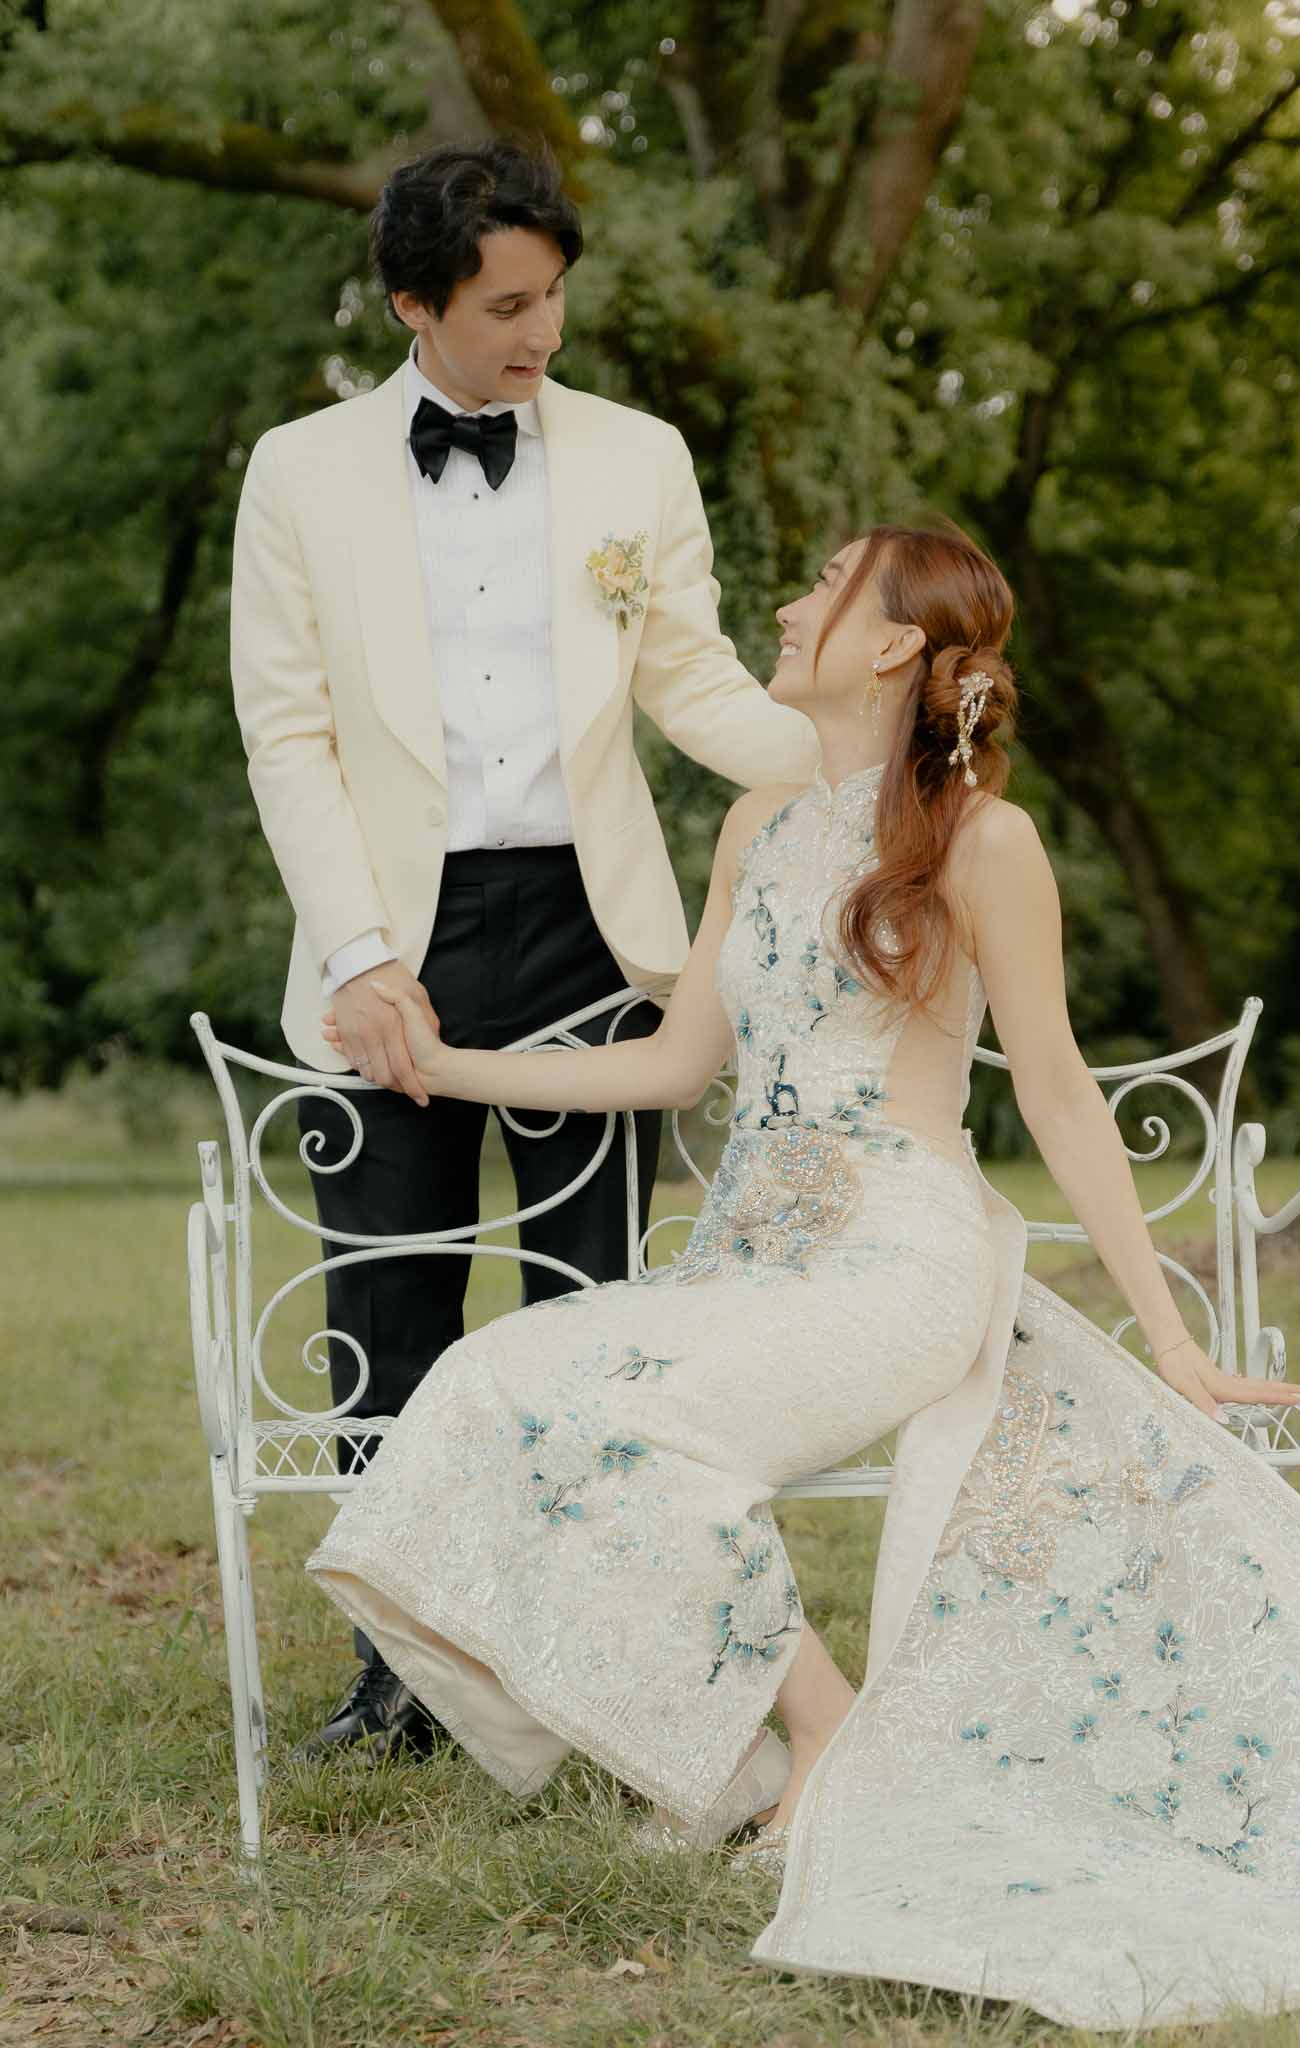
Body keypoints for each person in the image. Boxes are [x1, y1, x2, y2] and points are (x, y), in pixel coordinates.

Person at [306, 521, 1300, 2031]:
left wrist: (1167, 1335)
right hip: (749, 1260)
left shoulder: (984, 840)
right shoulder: (758, 824)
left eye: (821, 585)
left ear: (886, 647)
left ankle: (822, 1739)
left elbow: (1057, 1092)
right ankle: (787, 1743)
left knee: (630, 1429)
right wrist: (446, 1064)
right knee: (496, 1375)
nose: (789, 602)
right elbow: (679, 1058)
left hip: (894, 1258)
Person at [229, 138, 818, 1761]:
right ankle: (405, 1671)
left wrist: (845, 765)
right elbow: (287, 736)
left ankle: (591, 1656)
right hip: (390, 940)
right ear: (415, 303)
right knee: (390, 1307)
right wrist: (356, 954)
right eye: (503, 304)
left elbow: (687, 680)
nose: (537, 331)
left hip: (589, 936)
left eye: (552, 295)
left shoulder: (639, 457)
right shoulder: (298, 469)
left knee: (591, 1307)